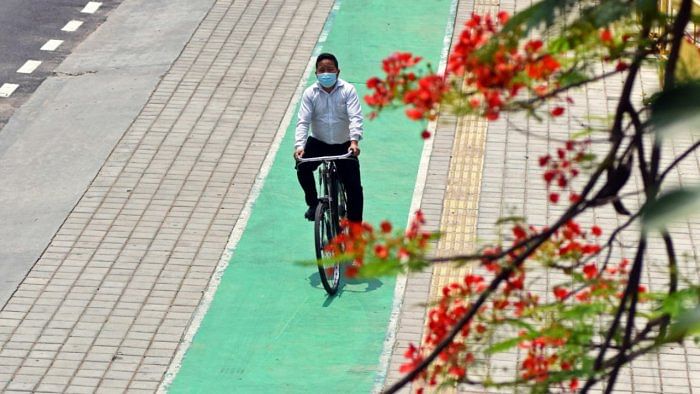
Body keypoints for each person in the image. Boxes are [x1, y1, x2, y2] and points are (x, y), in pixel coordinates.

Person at [294, 53, 364, 223]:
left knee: (354, 188)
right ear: (316, 73)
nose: (326, 73)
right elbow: (303, 121)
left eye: (330, 70)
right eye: (322, 70)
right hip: (319, 142)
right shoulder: (310, 93)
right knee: (302, 166)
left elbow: (355, 117)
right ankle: (313, 203)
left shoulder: (348, 90)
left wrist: (354, 141)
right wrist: (299, 146)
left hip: (344, 144)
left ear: (338, 72)